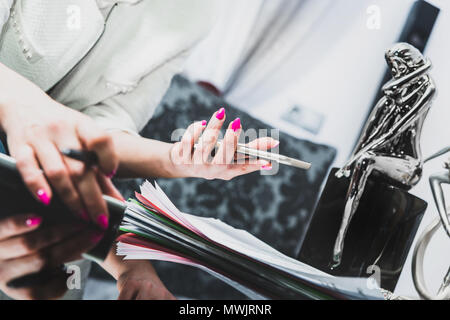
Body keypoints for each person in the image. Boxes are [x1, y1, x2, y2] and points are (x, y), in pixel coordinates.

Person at [0, 0, 276, 299]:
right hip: (32, 196)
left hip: (42, 205)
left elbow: (100, 135)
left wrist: (177, 160)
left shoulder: (196, 13)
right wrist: (21, 103)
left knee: (60, 279)